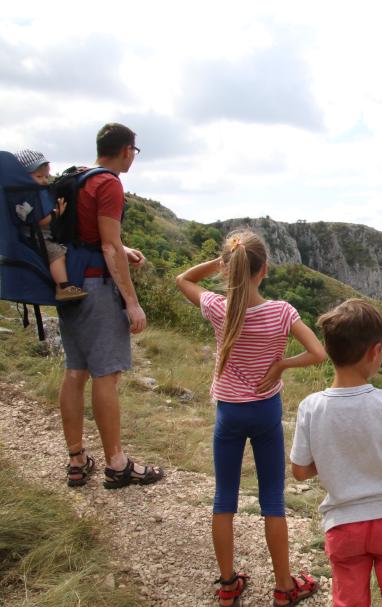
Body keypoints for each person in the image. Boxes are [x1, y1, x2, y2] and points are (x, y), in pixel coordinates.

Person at [175, 229, 327, 607]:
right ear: (265, 270)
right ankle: (283, 588)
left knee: (223, 498)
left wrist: (223, 262)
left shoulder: (216, 307)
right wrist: (280, 366)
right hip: (265, 412)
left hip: (229, 412)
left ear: (229, 271)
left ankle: (228, 585)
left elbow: (183, 280)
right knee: (272, 501)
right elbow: (318, 353)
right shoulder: (282, 312)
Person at [290, 298, 382, 607]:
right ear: (375, 351)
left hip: (344, 524)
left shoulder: (311, 407)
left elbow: (299, 470)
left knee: (348, 601)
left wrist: (332, 461)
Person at [58, 123, 165, 490]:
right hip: (96, 289)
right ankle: (117, 463)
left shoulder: (79, 178)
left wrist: (123, 247)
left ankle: (76, 460)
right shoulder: (110, 184)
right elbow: (106, 246)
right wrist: (132, 303)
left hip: (67, 285)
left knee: (75, 371)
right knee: (106, 375)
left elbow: (89, 236)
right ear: (126, 150)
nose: (133, 158)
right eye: (134, 151)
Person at [13, 149, 88, 301]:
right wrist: (56, 213)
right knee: (57, 254)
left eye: (46, 176)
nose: (44, 181)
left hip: (39, 237)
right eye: (39, 176)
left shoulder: (33, 193)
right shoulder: (25, 197)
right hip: (33, 238)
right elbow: (39, 220)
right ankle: (62, 288)